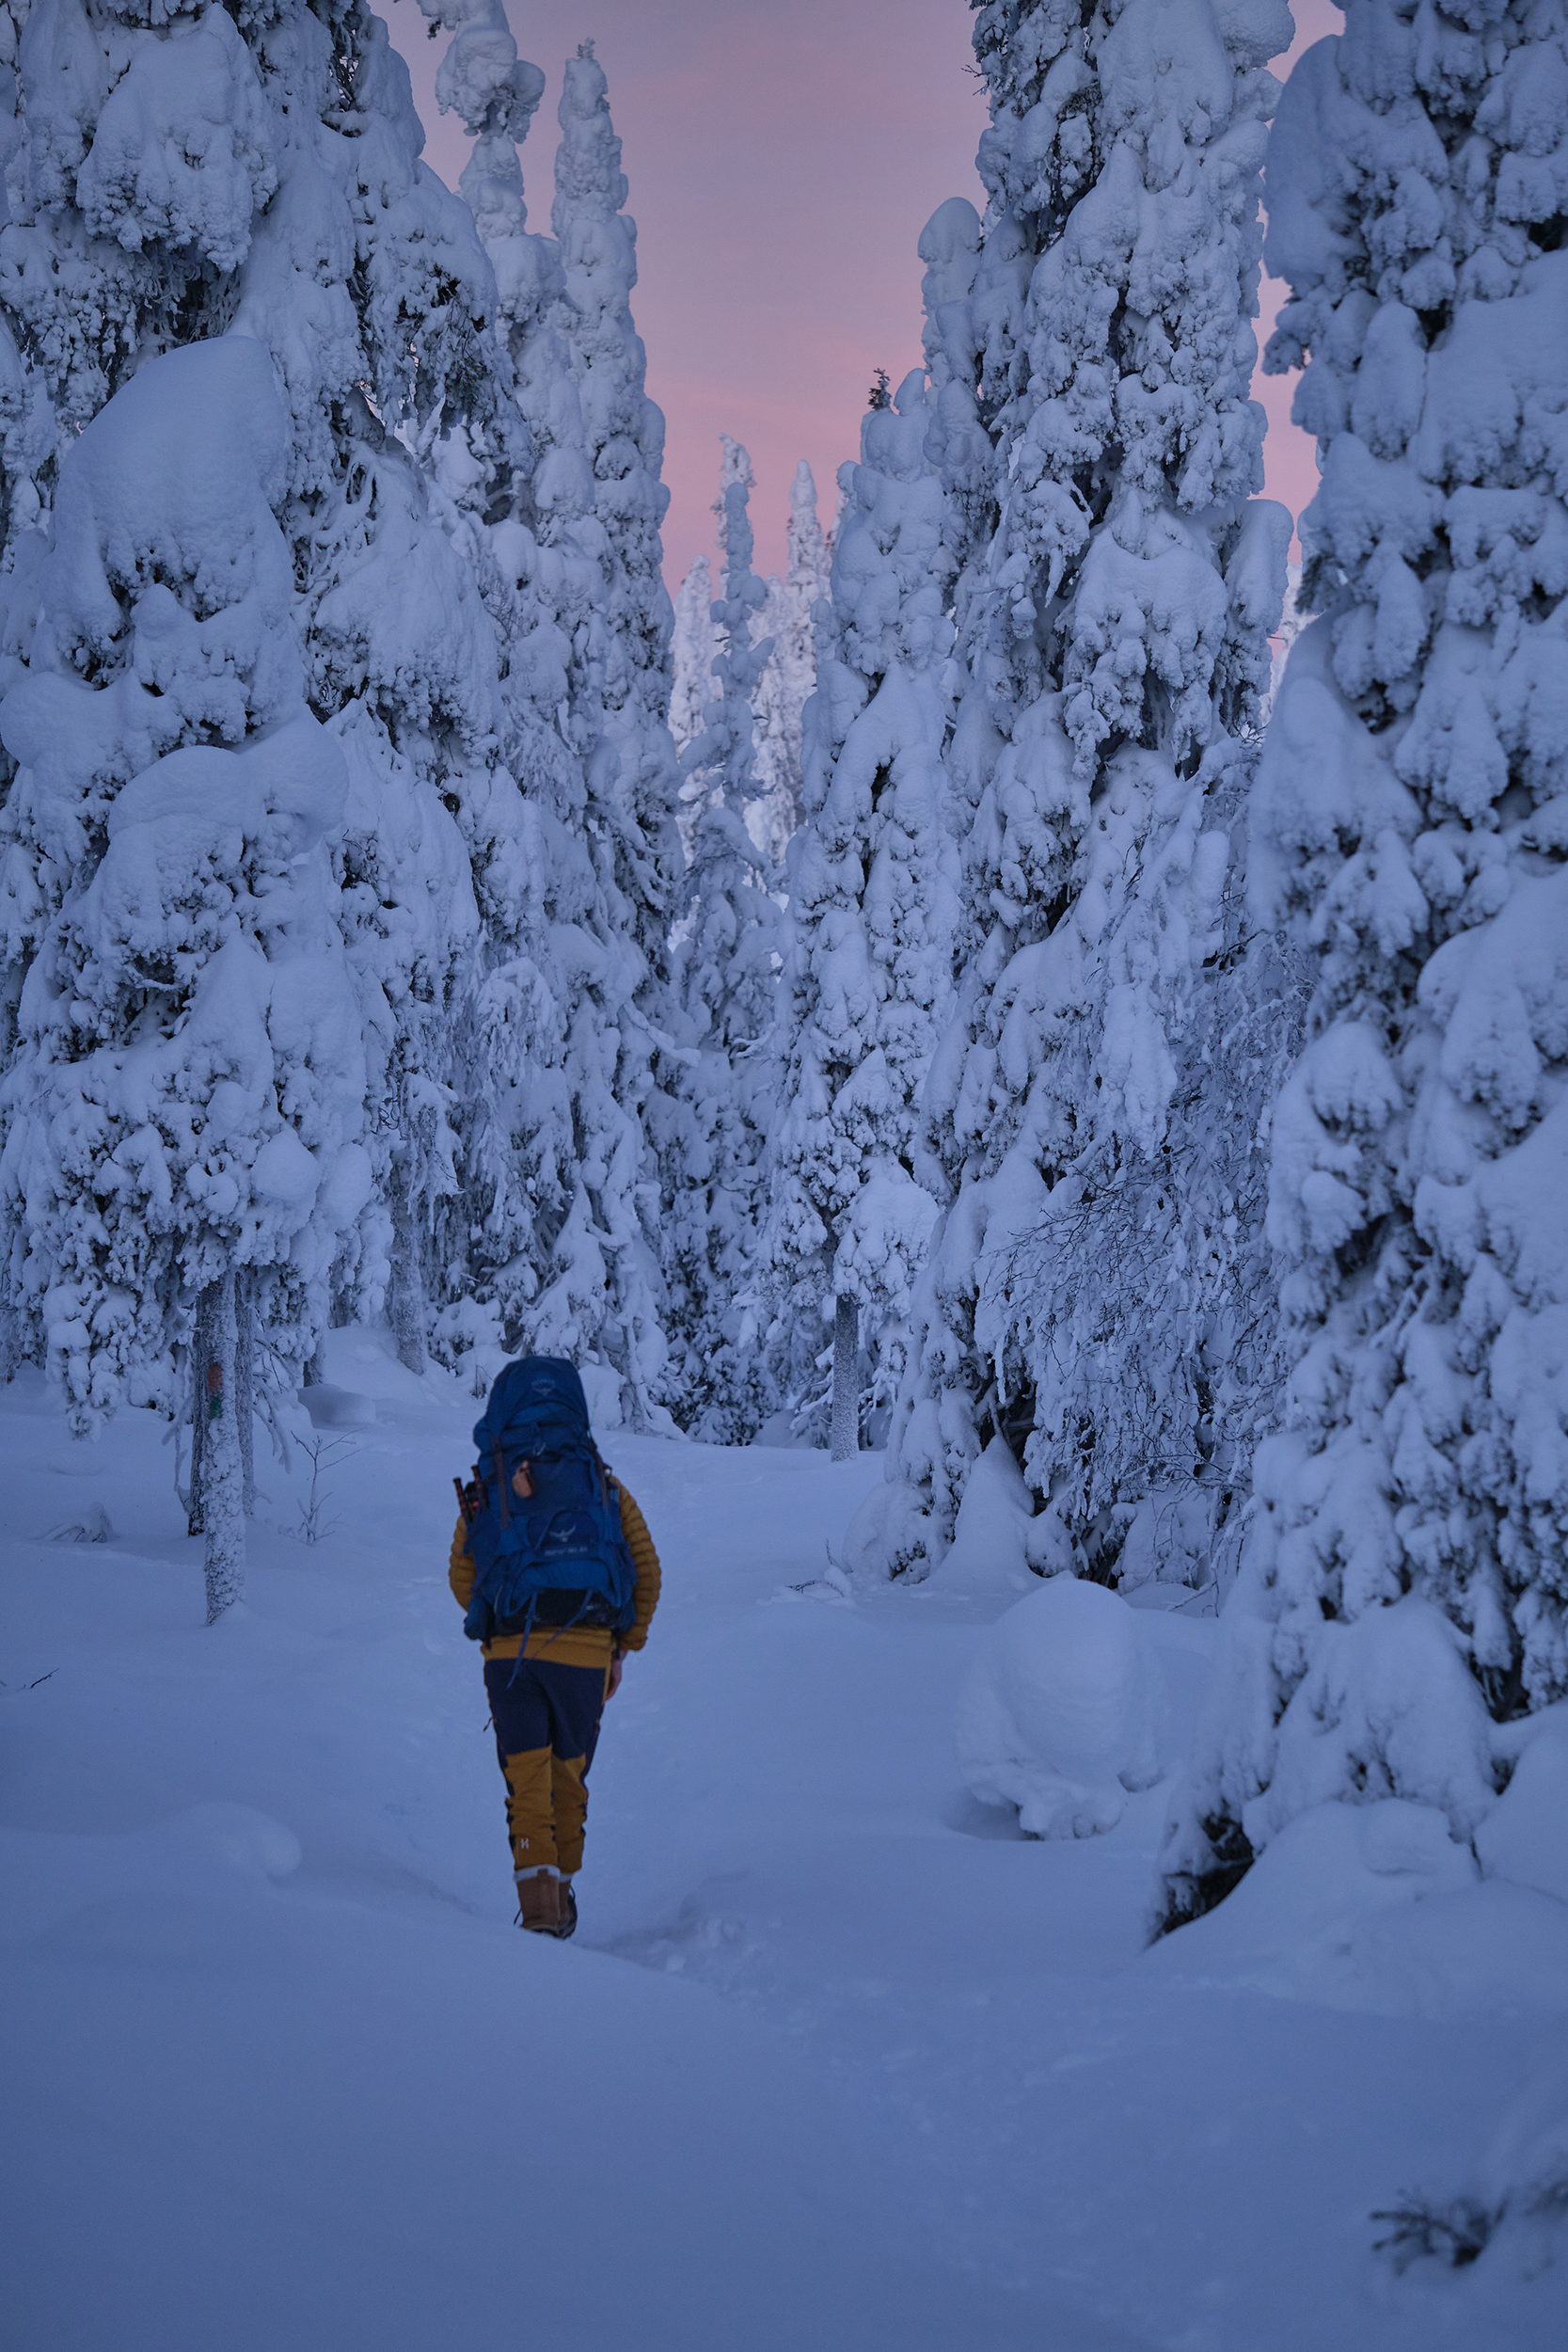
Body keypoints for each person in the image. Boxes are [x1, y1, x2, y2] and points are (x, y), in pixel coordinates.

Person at [448, 1359, 660, 1938]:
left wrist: (497, 1629)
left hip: (511, 1657)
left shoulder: (491, 1487)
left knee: (527, 1783)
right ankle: (561, 1900)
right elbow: (646, 1569)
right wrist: (620, 1647)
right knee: (567, 1779)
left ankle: (538, 1913)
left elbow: (462, 1575)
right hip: (587, 1655)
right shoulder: (602, 1486)